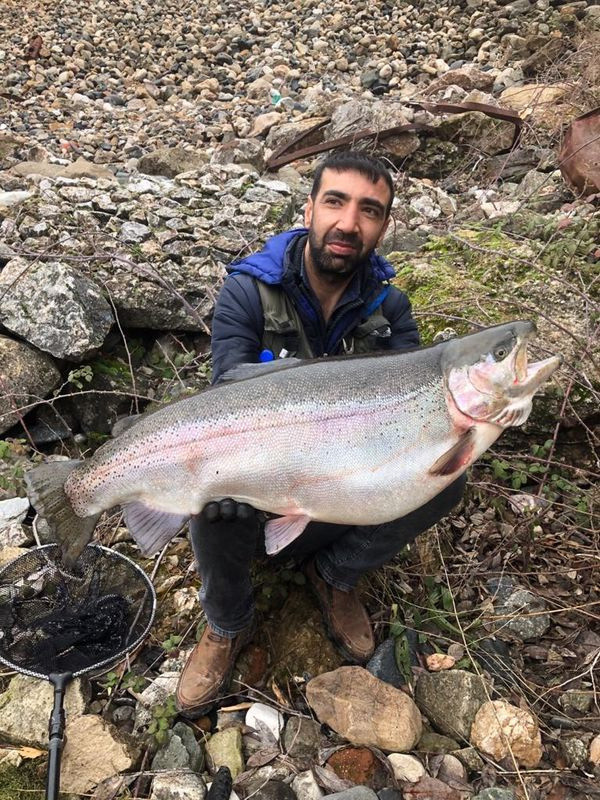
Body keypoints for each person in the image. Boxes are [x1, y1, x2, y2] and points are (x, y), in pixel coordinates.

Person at [175, 150, 465, 718]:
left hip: (344, 484)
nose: (349, 223)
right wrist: (231, 481)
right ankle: (226, 623)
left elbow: (413, 415)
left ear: (385, 226)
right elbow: (222, 398)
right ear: (308, 208)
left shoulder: (391, 310)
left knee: (448, 476)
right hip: (257, 480)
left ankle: (334, 574)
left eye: (370, 210)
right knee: (209, 499)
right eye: (335, 201)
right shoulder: (248, 291)